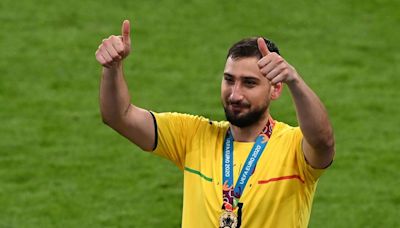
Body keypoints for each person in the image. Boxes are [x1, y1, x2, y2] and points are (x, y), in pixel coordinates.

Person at [95, 19, 335, 228]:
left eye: (249, 83)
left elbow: (323, 141)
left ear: (275, 89)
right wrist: (112, 68)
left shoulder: (293, 147)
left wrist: (295, 81)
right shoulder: (192, 135)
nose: (235, 94)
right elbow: (119, 116)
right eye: (229, 80)